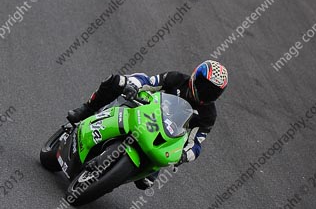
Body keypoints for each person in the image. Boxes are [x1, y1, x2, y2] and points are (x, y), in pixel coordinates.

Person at [67, 61, 229, 189]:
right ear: (195, 76)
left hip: (161, 141)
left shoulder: (208, 115)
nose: (206, 93)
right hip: (144, 111)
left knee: (146, 182)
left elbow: (196, 143)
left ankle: (114, 175)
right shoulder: (177, 79)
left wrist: (184, 155)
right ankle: (87, 109)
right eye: (204, 86)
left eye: (212, 91)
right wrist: (134, 86)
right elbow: (150, 81)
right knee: (116, 81)